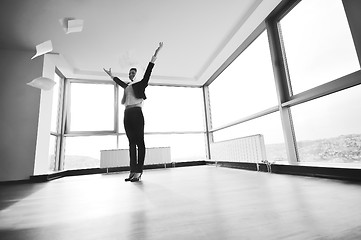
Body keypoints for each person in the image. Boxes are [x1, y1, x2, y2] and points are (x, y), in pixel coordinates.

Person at [103, 42, 163, 182]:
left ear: (137, 75)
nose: (131, 74)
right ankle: (132, 170)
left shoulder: (141, 84)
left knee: (139, 142)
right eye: (130, 72)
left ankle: (139, 171)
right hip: (127, 114)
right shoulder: (127, 86)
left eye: (133, 72)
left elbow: (149, 71)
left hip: (137, 113)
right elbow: (119, 82)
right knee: (131, 144)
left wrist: (155, 54)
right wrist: (111, 75)